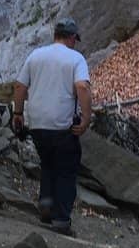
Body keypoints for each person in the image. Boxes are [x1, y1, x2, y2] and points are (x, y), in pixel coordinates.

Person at [12, 17, 92, 235]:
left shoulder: (36, 55)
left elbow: (19, 86)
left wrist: (18, 113)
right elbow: (82, 87)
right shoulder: (76, 59)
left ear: (55, 35)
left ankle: (46, 204)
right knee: (66, 170)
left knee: (47, 163)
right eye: (75, 39)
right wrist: (86, 118)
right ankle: (61, 220)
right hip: (62, 125)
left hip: (37, 124)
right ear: (72, 37)